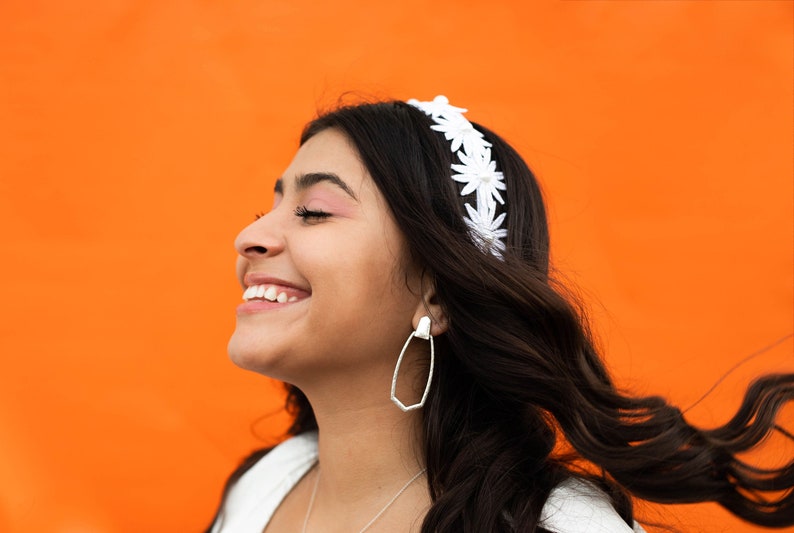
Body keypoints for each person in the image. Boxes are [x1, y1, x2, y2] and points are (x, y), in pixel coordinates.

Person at [206, 96, 793, 532]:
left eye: (313, 211)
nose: (250, 235)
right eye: (270, 205)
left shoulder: (558, 526)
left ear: (435, 295)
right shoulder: (264, 487)